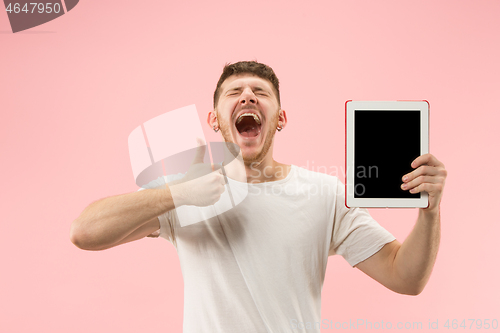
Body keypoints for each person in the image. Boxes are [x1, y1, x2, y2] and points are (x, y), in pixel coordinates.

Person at [70, 61, 447, 332]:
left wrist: (430, 212)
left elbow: (406, 277)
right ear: (214, 119)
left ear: (280, 118)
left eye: (260, 92)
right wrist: (175, 193)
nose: (247, 96)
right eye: (234, 92)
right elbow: (84, 232)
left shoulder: (325, 193)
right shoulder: (185, 188)